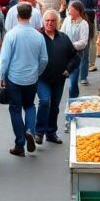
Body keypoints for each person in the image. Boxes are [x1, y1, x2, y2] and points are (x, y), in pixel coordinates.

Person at [0, 3, 48, 156]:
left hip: (14, 77)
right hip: (31, 78)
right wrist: (37, 72)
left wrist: (2, 76)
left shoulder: (11, 35)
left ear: (16, 16)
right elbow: (44, 59)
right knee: (30, 106)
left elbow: (5, 59)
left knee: (15, 109)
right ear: (31, 16)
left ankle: (19, 143)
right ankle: (30, 131)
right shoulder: (38, 36)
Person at [34, 10, 79, 144]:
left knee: (55, 106)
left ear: (57, 22)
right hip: (42, 78)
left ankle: (51, 132)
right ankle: (39, 132)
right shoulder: (37, 37)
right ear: (43, 21)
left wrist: (68, 69)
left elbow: (75, 57)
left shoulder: (63, 38)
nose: (50, 23)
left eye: (53, 20)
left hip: (59, 79)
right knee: (45, 101)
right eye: (47, 20)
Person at [70, 0, 99, 76]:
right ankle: (90, 65)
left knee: (79, 41)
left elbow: (71, 6)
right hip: (91, 20)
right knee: (91, 42)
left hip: (80, 20)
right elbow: (97, 7)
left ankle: (78, 67)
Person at [61, 1, 90, 98]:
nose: (68, 12)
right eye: (68, 10)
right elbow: (62, 34)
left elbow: (84, 42)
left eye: (70, 10)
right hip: (64, 54)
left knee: (72, 83)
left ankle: (73, 101)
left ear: (77, 11)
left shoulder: (84, 24)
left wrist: (71, 45)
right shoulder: (67, 20)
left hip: (76, 56)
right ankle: (74, 100)